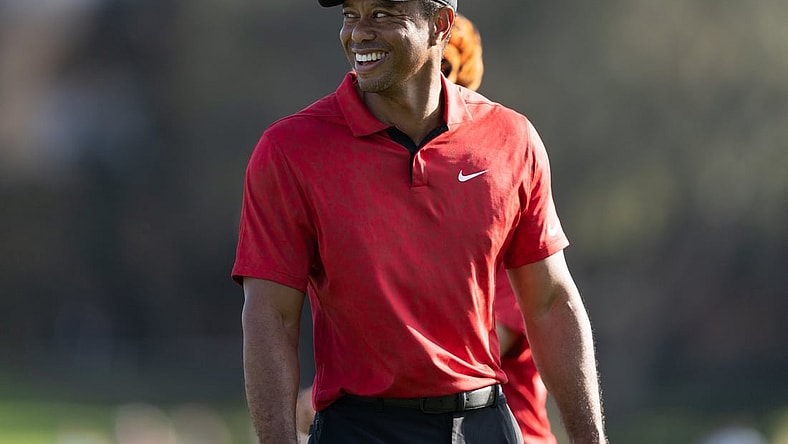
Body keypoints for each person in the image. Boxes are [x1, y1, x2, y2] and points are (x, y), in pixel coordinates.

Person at [232, 0, 607, 443]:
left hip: (485, 423)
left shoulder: (512, 138)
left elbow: (550, 303)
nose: (359, 32)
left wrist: (591, 439)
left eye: (383, 14)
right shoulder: (289, 149)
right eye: (351, 15)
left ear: (440, 24)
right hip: (358, 429)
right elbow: (271, 316)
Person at [294, 12, 558, 443]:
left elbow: (508, 326)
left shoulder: (501, 181)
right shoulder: (315, 156)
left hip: (507, 431)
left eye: (449, 71)